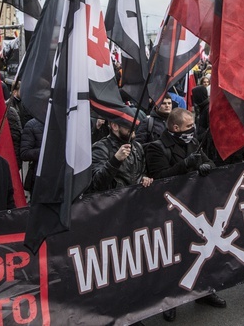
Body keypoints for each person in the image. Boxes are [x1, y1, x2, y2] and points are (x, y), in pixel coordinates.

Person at [144, 108, 224, 320]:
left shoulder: (192, 142)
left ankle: (204, 291)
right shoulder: (156, 148)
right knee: (173, 258)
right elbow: (160, 179)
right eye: (189, 126)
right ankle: (170, 301)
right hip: (170, 212)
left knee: (202, 254)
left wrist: (207, 166)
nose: (193, 129)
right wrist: (185, 165)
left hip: (196, 208)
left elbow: (210, 164)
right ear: (175, 127)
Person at [89, 114, 153, 192]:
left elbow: (142, 173)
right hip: (112, 201)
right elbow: (97, 183)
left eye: (133, 123)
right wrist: (115, 160)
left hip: (135, 198)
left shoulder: (137, 146)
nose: (133, 127)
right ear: (115, 126)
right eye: (128, 124)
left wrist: (144, 178)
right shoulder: (101, 148)